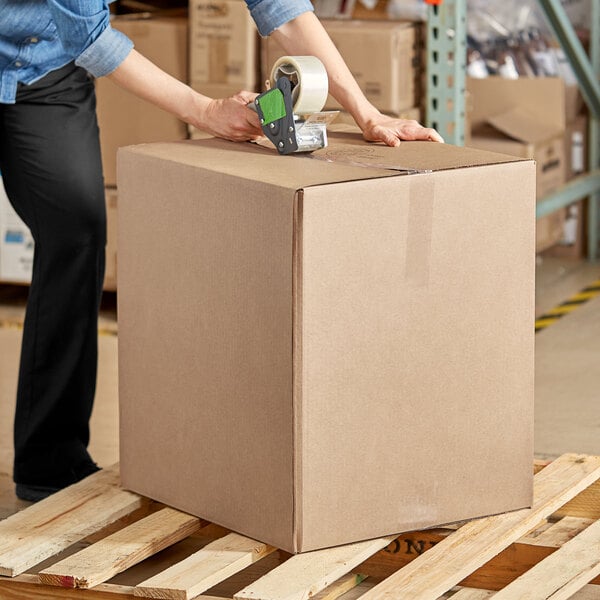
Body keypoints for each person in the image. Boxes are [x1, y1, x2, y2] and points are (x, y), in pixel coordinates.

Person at [0, 0, 443, 502]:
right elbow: (89, 35)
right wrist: (206, 112)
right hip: (57, 40)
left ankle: (50, 461)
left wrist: (365, 112)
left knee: (76, 232)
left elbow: (282, 6)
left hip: (45, 69)